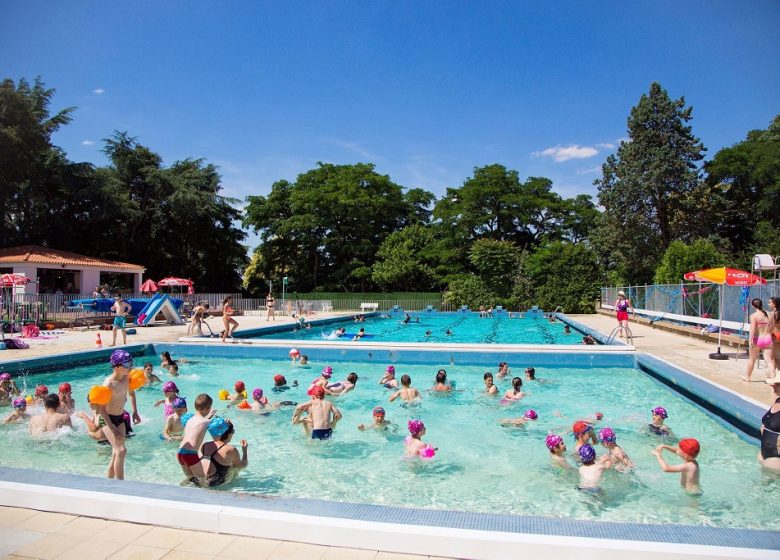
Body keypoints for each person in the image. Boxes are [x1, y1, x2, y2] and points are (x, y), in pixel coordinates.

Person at [99, 350, 141, 479]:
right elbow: (101, 410)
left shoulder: (126, 378)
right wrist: (113, 430)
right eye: (127, 364)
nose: (130, 367)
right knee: (121, 450)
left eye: (131, 363)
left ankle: (109, 481)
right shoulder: (108, 384)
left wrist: (134, 411)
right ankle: (120, 484)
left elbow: (132, 394)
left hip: (120, 418)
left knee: (116, 453)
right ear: (116, 366)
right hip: (107, 419)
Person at [177, 393, 217, 486]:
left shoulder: (190, 420)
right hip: (190, 454)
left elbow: (201, 422)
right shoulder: (206, 421)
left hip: (180, 452)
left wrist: (208, 417)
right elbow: (216, 426)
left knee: (191, 478)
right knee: (203, 481)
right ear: (207, 409)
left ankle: (182, 489)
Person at [199, 418, 248, 487]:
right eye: (232, 431)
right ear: (228, 433)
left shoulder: (204, 445)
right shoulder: (230, 449)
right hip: (216, 484)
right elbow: (242, 466)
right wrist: (244, 451)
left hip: (203, 481)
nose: (233, 433)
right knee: (234, 468)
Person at [744, 298, 776, 382]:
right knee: (769, 361)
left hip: (757, 339)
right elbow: (772, 328)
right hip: (768, 339)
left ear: (752, 305)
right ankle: (774, 379)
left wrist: (750, 339)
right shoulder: (770, 315)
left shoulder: (754, 316)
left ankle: (747, 377)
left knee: (752, 360)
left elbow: (753, 329)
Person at [758, 378, 780, 471]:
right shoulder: (778, 400)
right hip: (765, 453)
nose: (772, 385)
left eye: (777, 384)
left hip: (776, 457)